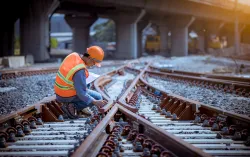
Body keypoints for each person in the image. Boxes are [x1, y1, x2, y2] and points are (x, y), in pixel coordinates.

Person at [54, 46, 107, 119]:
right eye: (94, 63)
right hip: (66, 95)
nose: (93, 65)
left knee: (87, 85)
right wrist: (95, 101)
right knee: (98, 97)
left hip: (59, 91)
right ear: (90, 58)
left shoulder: (73, 55)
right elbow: (81, 93)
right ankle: (73, 106)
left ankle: (75, 106)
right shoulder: (80, 70)